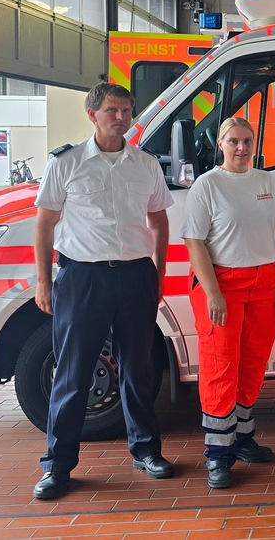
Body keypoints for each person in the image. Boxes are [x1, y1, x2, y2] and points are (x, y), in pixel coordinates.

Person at [30, 82, 174, 500]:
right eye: (113, 110)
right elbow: (44, 224)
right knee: (72, 375)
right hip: (82, 278)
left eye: (127, 110)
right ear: (92, 114)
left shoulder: (145, 164)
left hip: (134, 277)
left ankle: (146, 452)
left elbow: (159, 222)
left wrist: (158, 274)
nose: (122, 118)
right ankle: (57, 467)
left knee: (139, 370)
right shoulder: (67, 163)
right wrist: (43, 281)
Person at [182, 117, 275, 489]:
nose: (241, 148)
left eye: (247, 141)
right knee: (220, 366)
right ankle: (218, 454)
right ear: (221, 144)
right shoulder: (207, 185)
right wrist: (212, 292)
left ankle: (242, 439)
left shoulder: (267, 182)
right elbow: (195, 242)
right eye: (233, 141)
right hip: (223, 284)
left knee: (253, 363)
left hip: (264, 283)